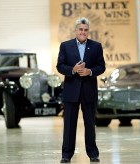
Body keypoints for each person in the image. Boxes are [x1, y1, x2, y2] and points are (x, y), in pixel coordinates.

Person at [56, 17, 106, 163]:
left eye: (85, 30)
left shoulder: (96, 46)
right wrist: (73, 69)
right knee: (69, 126)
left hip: (89, 91)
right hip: (71, 92)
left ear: (88, 31)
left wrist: (90, 71)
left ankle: (93, 154)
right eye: (80, 29)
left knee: (90, 124)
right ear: (75, 30)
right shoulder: (65, 46)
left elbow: (101, 66)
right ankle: (66, 155)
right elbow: (60, 66)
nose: (83, 32)